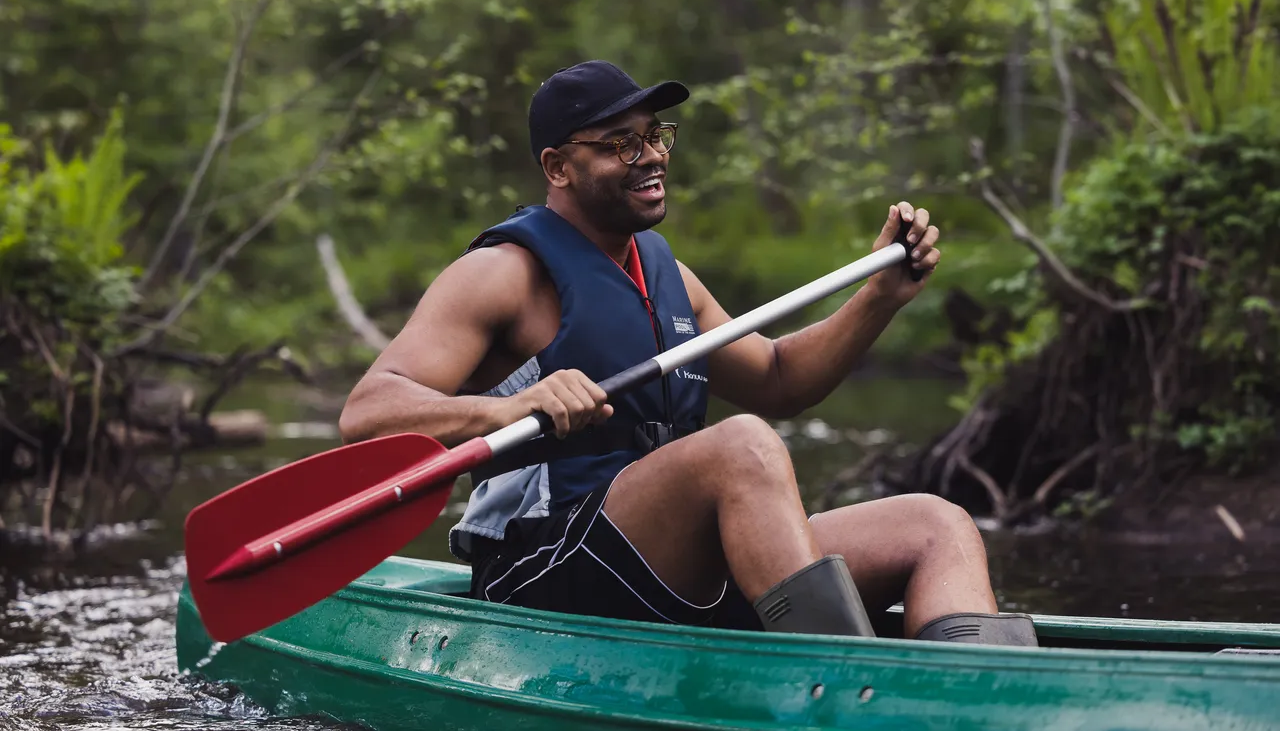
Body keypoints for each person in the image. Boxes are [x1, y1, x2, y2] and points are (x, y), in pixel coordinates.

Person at [339, 60, 1036, 646]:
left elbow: (781, 377)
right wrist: (513, 408)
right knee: (740, 446)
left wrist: (881, 294)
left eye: (654, 137)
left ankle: (979, 694)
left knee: (935, 522)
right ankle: (840, 684)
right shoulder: (503, 273)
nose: (651, 157)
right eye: (620, 143)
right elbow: (368, 412)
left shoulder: (664, 273)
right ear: (557, 166)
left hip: (671, 566)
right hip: (544, 567)